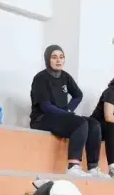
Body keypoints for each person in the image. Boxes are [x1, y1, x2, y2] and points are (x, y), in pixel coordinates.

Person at [29, 45, 108, 178]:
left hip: (61, 117)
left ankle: (93, 168)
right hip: (42, 118)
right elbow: (45, 106)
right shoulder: (40, 78)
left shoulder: (65, 77)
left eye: (61, 57)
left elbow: (78, 95)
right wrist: (66, 114)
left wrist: (69, 109)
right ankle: (73, 167)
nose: (58, 60)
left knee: (93, 123)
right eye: (54, 57)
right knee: (79, 122)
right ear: (47, 59)